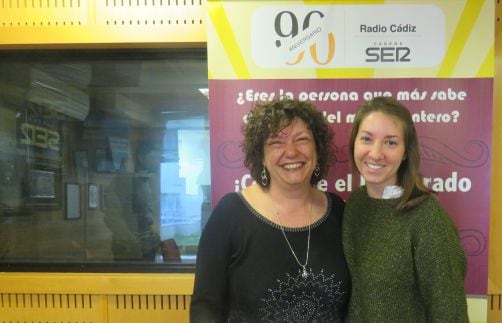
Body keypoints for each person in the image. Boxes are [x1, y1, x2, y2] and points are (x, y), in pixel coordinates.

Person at [190, 98, 350, 322]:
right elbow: (205, 307)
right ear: (261, 155)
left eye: (302, 139)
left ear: (318, 149)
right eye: (276, 142)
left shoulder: (338, 212)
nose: (291, 152)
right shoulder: (231, 214)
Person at [342, 97, 468, 322]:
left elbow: (450, 312)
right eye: (367, 139)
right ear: (354, 144)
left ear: (406, 152)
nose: (376, 153)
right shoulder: (356, 204)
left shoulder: (427, 216)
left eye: (391, 142)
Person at [104, 140, 162, 261]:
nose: (158, 161)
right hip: (128, 248)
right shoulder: (123, 181)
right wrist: (132, 242)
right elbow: (112, 217)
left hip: (145, 246)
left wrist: (153, 235)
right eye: (154, 156)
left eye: (159, 157)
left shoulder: (146, 180)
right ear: (141, 157)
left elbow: (147, 215)